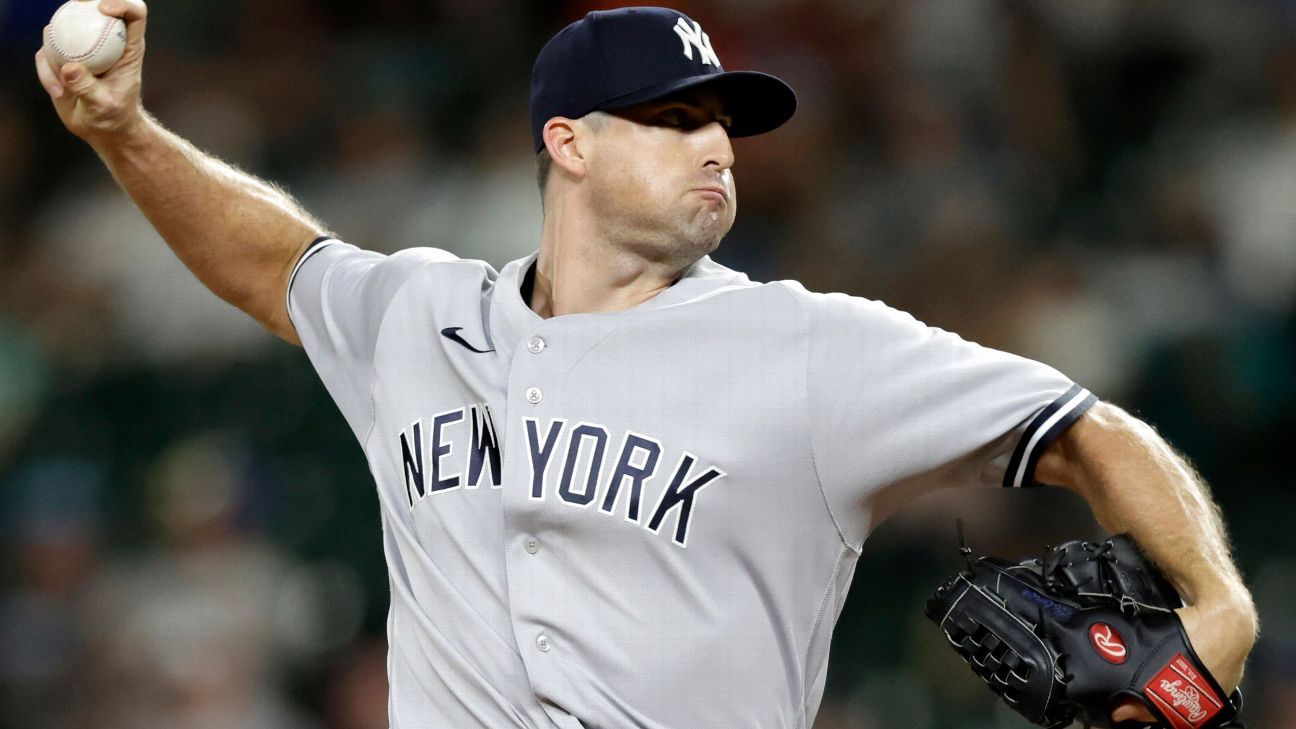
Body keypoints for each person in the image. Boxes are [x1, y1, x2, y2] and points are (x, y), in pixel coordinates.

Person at [36, 3, 1258, 727]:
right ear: (567, 143)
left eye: (723, 124)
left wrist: (1220, 607)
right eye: (674, 121)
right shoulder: (417, 316)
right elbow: (272, 262)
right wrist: (126, 134)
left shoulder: (814, 347)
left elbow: (1090, 428)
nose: (716, 146)